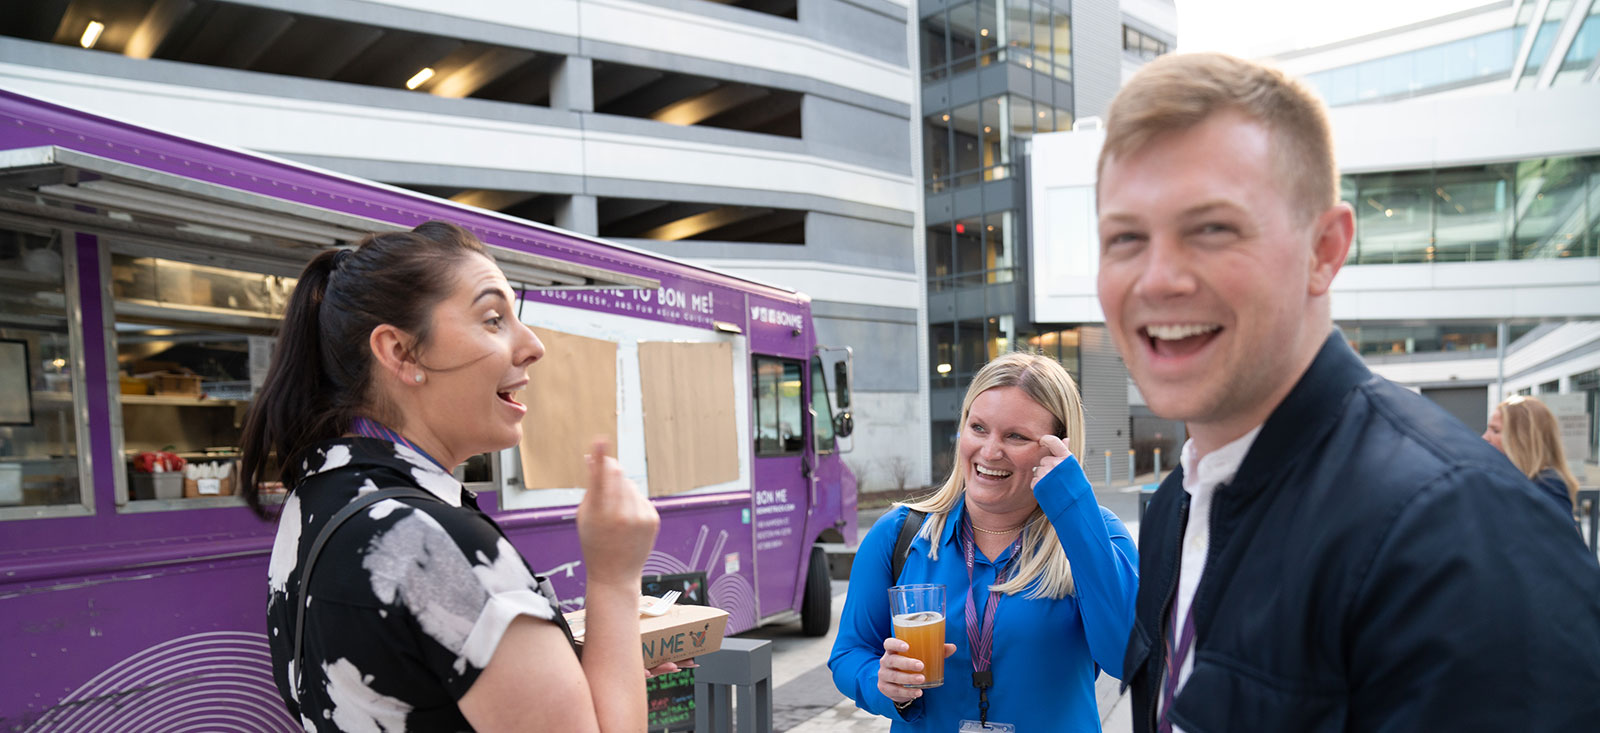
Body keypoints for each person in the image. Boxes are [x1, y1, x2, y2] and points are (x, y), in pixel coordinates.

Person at [1096, 52, 1600, 732]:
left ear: (1325, 250)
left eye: (1211, 228)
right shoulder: (1173, 511)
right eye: (1125, 237)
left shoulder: (1461, 537)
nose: (1157, 279)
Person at [240, 221, 667, 732]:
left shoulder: (315, 500)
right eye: (493, 318)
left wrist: (588, 666)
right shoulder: (436, 542)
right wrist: (614, 578)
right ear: (401, 352)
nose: (533, 345)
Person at [829, 352, 1138, 731]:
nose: (990, 451)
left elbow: (1127, 658)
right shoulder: (899, 534)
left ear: (1058, 448)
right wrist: (882, 684)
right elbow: (848, 653)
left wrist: (1073, 507)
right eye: (978, 428)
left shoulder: (1096, 533)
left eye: (1016, 436)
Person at [1485, 395, 1582, 526]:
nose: (1485, 437)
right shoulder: (1516, 478)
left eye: (1495, 430)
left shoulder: (1547, 485)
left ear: (1523, 439)